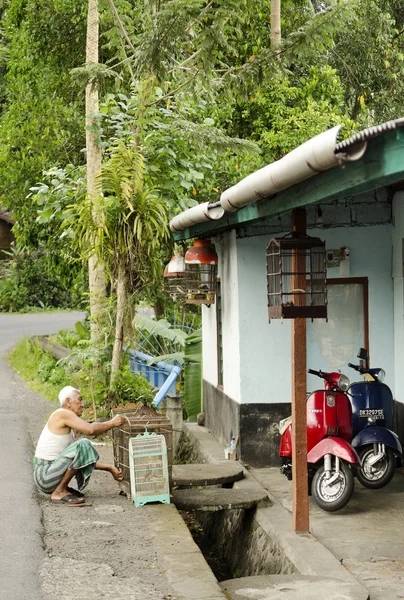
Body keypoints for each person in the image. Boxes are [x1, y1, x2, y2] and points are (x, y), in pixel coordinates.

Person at [33, 385, 125, 507]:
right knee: (83, 444)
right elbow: (90, 430)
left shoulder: (69, 428)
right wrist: (112, 423)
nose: (82, 404)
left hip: (49, 475)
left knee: (82, 446)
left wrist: (109, 468)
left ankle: (60, 489)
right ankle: (59, 491)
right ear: (68, 402)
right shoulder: (62, 414)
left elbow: (78, 460)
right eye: (79, 399)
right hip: (44, 475)